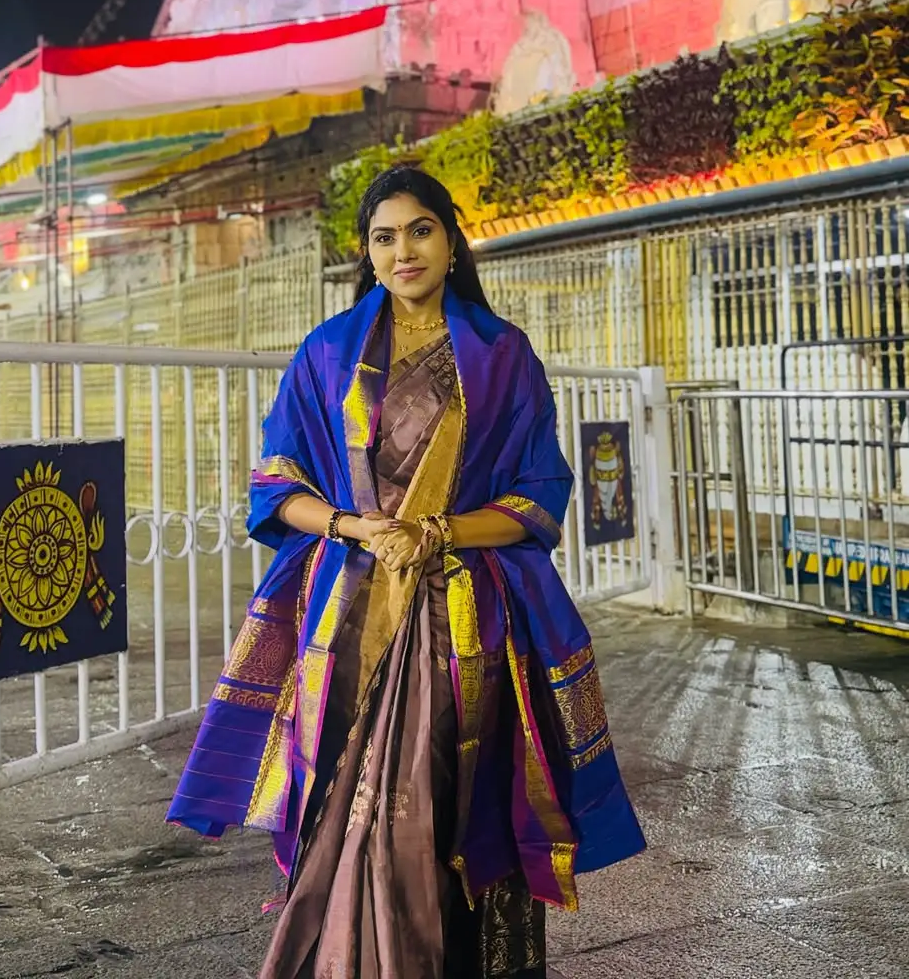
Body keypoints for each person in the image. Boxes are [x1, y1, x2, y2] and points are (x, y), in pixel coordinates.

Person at [168, 166, 645, 979]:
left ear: (452, 241)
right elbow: (277, 484)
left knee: (460, 799)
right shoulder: (327, 354)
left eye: (420, 230)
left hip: (468, 617)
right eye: (384, 237)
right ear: (368, 253)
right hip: (351, 613)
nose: (403, 251)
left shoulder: (501, 355)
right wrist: (357, 526)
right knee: (355, 809)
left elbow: (539, 494)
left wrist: (437, 531)